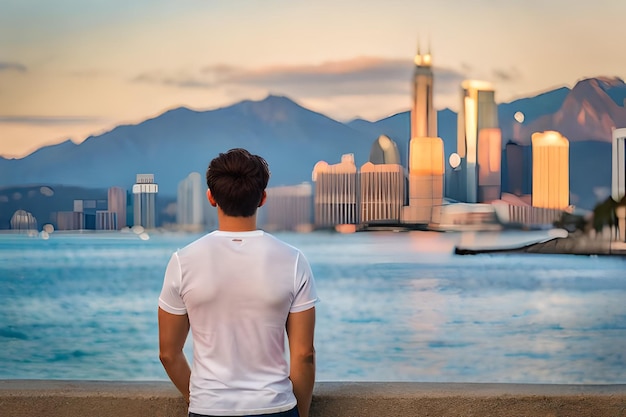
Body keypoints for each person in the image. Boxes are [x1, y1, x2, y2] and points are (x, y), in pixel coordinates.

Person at [158, 148, 318, 417]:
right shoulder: (293, 260)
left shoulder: (182, 261)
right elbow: (304, 355)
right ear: (263, 198)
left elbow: (168, 353)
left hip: (208, 409)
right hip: (274, 407)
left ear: (211, 197)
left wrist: (200, 398)